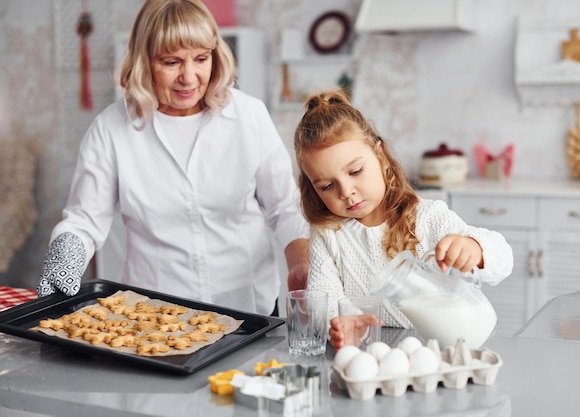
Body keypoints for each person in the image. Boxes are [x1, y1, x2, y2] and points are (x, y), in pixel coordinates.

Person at [37, 0, 309, 317]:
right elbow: (85, 220)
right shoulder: (111, 129)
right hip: (153, 312)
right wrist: (64, 258)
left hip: (248, 307)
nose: (189, 77)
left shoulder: (248, 115)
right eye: (171, 62)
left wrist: (301, 261)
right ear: (144, 61)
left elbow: (284, 206)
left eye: (201, 58)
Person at [293, 88, 513, 349]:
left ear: (381, 155)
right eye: (327, 186)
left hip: (441, 351)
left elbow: (503, 259)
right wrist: (342, 322)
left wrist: (475, 249)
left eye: (355, 171)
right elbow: (325, 296)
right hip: (374, 356)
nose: (346, 192)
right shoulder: (328, 232)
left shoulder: (428, 217)